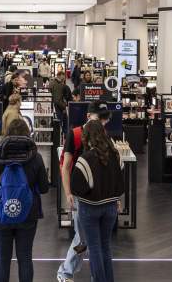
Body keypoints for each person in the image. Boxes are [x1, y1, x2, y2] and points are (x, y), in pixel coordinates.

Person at [0, 119, 49, 282]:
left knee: (2, 260)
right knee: (25, 258)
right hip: (28, 213)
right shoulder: (35, 157)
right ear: (27, 133)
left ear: (7, 133)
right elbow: (44, 188)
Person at [58, 101, 111, 282]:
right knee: (83, 239)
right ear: (89, 116)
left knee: (87, 240)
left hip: (99, 196)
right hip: (81, 194)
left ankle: (68, 273)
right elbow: (65, 167)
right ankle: (65, 273)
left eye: (105, 119)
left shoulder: (103, 134)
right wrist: (68, 193)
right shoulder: (75, 134)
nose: (104, 122)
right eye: (100, 118)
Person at [71, 120, 124, 282]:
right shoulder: (116, 155)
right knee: (105, 246)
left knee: (94, 248)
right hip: (110, 209)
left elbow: (76, 187)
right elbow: (121, 185)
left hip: (90, 209)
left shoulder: (84, 159)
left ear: (86, 137)